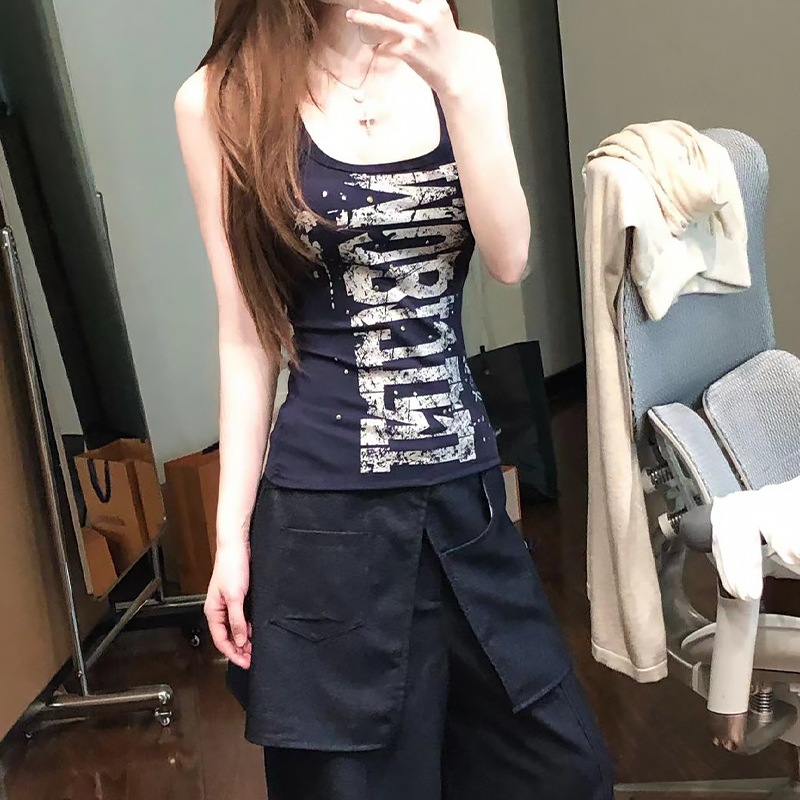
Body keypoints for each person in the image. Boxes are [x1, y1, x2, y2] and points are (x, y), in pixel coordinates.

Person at [175, 1, 613, 797]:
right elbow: (245, 335)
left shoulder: (465, 64)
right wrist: (230, 537)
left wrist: (457, 86)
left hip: (464, 503)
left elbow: (511, 257)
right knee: (354, 785)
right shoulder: (221, 99)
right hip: (323, 523)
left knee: (561, 769)